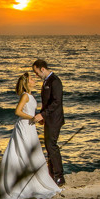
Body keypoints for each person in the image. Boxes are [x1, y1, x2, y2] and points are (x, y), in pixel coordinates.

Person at [0, 73, 62, 199]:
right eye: (31, 79)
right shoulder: (25, 96)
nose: (34, 80)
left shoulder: (30, 95)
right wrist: (32, 118)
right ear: (27, 83)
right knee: (24, 152)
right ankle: (24, 182)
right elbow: (17, 111)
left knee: (31, 152)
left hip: (30, 126)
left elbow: (30, 112)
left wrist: (37, 119)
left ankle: (33, 179)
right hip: (24, 126)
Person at [32, 59, 65, 187]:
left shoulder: (55, 81)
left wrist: (43, 114)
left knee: (52, 146)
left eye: (37, 72)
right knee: (48, 145)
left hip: (55, 119)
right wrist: (43, 116)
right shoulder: (46, 81)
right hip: (49, 118)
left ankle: (59, 176)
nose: (36, 75)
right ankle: (51, 174)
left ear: (42, 69)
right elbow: (46, 102)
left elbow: (56, 102)